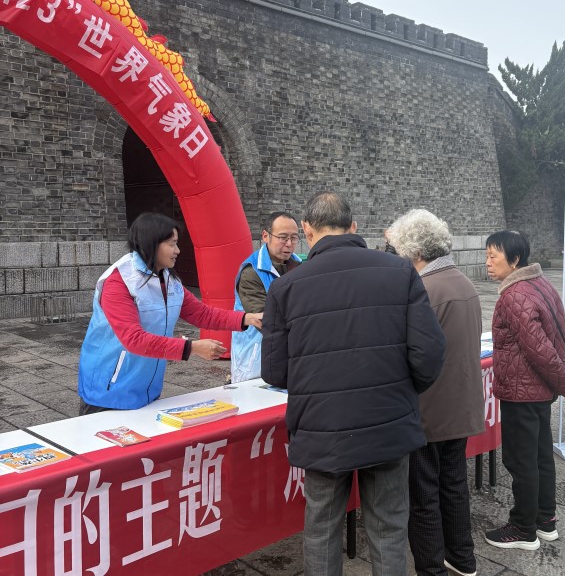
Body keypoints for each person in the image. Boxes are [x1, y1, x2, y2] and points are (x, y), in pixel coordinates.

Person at [261, 192, 446, 576]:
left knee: (321, 528)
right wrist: (401, 392)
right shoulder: (400, 272)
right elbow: (428, 354)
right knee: (389, 528)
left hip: (322, 429)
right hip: (389, 423)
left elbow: (275, 372)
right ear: (353, 227)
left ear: (307, 230)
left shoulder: (285, 287)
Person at [78, 212, 262, 414]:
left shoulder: (168, 279)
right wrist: (192, 347)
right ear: (151, 243)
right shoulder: (120, 282)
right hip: (107, 391)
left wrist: (248, 318)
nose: (178, 250)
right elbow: (134, 340)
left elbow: (202, 314)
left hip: (145, 388)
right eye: (172, 244)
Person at [387, 209, 484, 576]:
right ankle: (462, 557)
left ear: (414, 252)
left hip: (429, 410)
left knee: (423, 494)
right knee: (454, 484)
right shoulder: (464, 282)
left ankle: (431, 567)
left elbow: (410, 354)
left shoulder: (424, 290)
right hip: (461, 405)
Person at [484, 230, 565, 550]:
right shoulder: (541, 283)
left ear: (515, 259)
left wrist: (564, 381)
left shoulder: (514, 295)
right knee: (540, 457)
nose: (488, 262)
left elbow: (539, 349)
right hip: (539, 390)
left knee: (522, 462)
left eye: (493, 256)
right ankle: (545, 521)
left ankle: (523, 529)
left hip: (521, 392)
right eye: (487, 255)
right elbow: (563, 334)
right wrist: (564, 375)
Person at [231, 211, 302, 382]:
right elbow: (266, 321)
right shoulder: (251, 272)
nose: (289, 244)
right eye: (283, 237)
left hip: (290, 354)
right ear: (265, 236)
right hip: (254, 358)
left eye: (294, 238)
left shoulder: (299, 266)